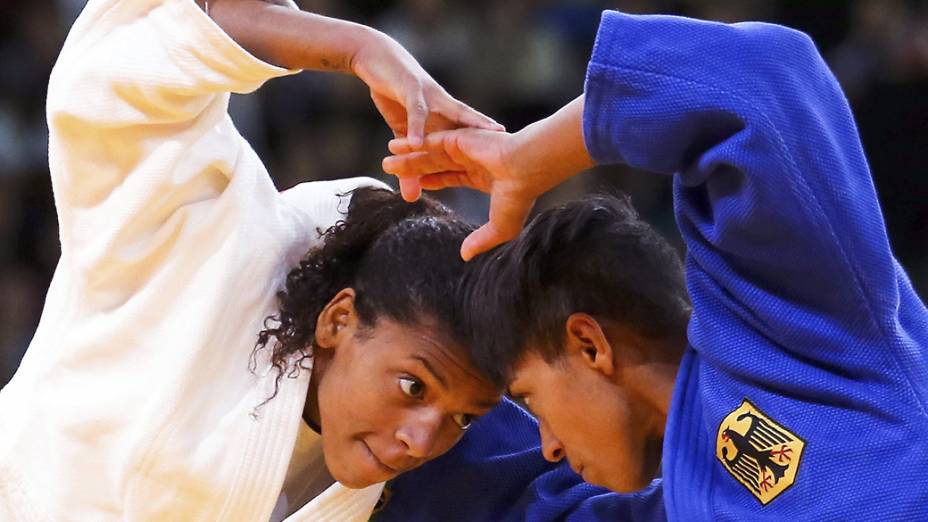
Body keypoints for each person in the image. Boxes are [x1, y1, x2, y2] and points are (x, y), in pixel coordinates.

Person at [0, 0, 636, 520]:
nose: (422, 440)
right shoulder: (201, 254)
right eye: (412, 387)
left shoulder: (456, 437)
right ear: (337, 321)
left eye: (463, 418)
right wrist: (359, 48)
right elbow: (119, 77)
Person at [384, 9, 928, 520]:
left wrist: (526, 158)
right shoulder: (669, 503)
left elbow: (760, 79)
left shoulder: (785, 331)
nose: (547, 443)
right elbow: (502, 491)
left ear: (590, 344)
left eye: (530, 399)